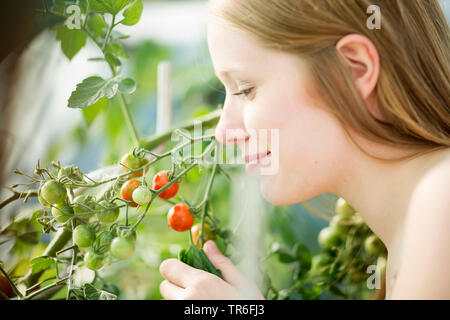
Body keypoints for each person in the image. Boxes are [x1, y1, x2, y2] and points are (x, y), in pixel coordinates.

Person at [159, 0, 449, 300]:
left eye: (246, 89)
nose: (224, 132)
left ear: (355, 69)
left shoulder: (443, 199)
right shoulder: (406, 241)